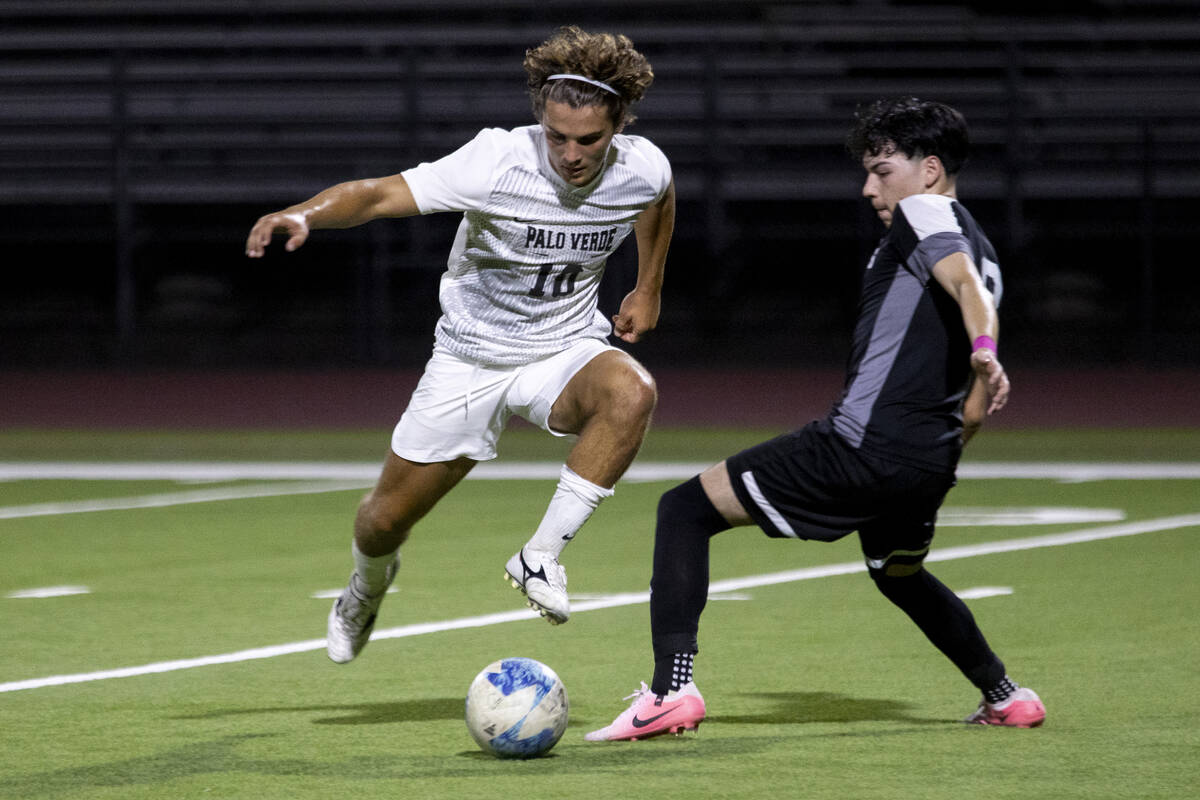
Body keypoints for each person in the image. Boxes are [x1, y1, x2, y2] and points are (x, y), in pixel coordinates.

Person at [586, 97, 1045, 742]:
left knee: (684, 510)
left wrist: (986, 351)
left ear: (931, 169)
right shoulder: (986, 244)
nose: (869, 187)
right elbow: (972, 398)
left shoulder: (926, 212)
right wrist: (944, 448)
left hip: (861, 446)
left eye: (882, 170)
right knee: (899, 573)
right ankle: (1005, 695)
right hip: (926, 460)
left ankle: (670, 690)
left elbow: (965, 290)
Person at [244, 26, 675, 663]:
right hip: (470, 359)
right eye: (557, 137)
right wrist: (305, 214)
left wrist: (648, 288)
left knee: (632, 392)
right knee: (384, 521)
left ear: (618, 126)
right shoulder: (496, 161)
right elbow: (378, 194)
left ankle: (540, 556)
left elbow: (658, 201)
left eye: (589, 140)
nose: (571, 153)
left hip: (562, 349)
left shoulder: (643, 166)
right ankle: (365, 587)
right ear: (539, 120)